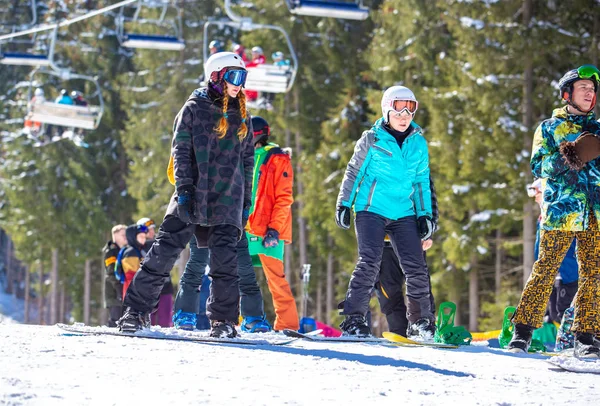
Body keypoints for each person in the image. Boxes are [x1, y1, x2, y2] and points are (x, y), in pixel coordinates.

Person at [118, 51, 254, 338]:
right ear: (216, 75)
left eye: (242, 77)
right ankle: (136, 312)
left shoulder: (242, 115)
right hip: (193, 192)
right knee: (163, 251)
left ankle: (224, 321)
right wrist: (184, 190)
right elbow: (179, 151)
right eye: (233, 76)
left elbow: (247, 161)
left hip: (228, 198)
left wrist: (245, 203)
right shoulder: (193, 108)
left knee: (225, 263)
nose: (239, 84)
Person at [508, 64, 600, 358]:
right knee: (545, 270)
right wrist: (572, 154)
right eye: (583, 88)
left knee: (593, 274)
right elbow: (539, 166)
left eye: (593, 89)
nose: (590, 93)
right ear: (567, 94)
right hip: (561, 211)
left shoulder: (598, 130)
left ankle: (585, 337)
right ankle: (522, 332)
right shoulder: (549, 128)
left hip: (594, 213)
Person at [335, 85, 435, 340]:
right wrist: (344, 203)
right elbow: (354, 172)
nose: (404, 117)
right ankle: (354, 319)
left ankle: (421, 322)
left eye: (409, 112)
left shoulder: (418, 143)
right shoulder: (372, 138)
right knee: (370, 261)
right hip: (372, 209)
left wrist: (425, 214)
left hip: (404, 212)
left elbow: (421, 181)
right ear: (387, 110)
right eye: (398, 111)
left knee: (415, 267)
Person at [245, 116, 299, 332]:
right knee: (237, 275)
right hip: (245, 227)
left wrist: (274, 229)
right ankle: (244, 320)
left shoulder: (278, 159)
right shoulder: (243, 157)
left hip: (268, 229)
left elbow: (283, 197)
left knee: (276, 279)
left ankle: (287, 324)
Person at [374, 177, 438, 337]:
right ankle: (399, 332)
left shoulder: (414, 161)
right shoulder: (373, 160)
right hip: (383, 243)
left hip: (411, 238)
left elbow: (427, 196)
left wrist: (428, 231)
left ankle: (423, 327)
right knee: (388, 292)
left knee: (420, 285)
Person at [527, 179, 579, 324]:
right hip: (554, 275)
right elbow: (540, 250)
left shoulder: (560, 216)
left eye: (536, 192)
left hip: (571, 274)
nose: (534, 196)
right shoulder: (543, 218)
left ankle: (576, 342)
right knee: (555, 314)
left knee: (565, 312)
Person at [137, 217, 174, 328]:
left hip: (165, 286)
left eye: (153, 229)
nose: (152, 232)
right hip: (148, 288)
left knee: (165, 318)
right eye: (149, 229)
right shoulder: (137, 248)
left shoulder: (161, 243)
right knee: (149, 318)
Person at [102, 224, 127, 327]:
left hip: (122, 291)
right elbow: (111, 273)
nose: (125, 237)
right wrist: (119, 289)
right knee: (115, 319)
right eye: (123, 235)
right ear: (115, 236)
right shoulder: (111, 252)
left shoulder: (124, 251)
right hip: (113, 292)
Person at [119, 224, 148, 300]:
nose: (143, 239)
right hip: (133, 295)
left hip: (139, 293)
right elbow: (131, 276)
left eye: (144, 237)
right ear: (133, 237)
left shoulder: (139, 251)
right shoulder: (131, 252)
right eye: (141, 237)